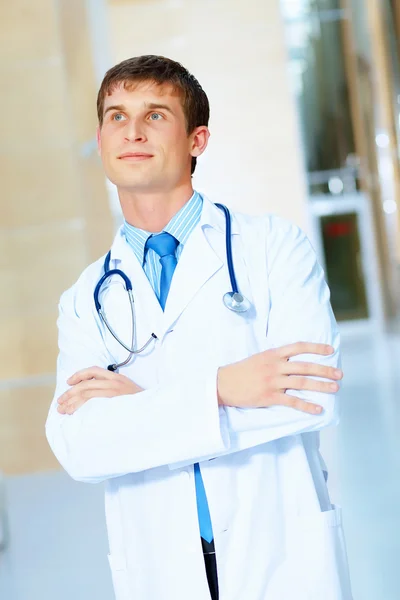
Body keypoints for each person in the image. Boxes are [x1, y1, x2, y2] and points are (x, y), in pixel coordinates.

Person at [46, 55, 352, 600]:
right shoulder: (84, 299)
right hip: (160, 564)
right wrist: (220, 388)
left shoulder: (272, 248)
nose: (133, 132)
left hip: (280, 552)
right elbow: (79, 446)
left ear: (197, 140)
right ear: (100, 139)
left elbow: (310, 393)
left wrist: (141, 405)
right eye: (116, 116)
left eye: (155, 115)